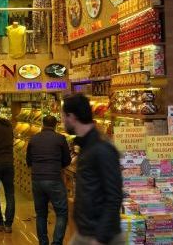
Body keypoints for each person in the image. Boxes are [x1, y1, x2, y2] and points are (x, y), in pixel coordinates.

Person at [62, 94, 123, 245]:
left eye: (63, 116)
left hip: (101, 236)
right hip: (86, 232)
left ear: (72, 117)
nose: (62, 121)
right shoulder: (86, 146)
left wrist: (100, 238)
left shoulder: (101, 149)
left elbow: (114, 196)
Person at [26, 115, 72, 245]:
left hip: (37, 179)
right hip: (54, 178)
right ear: (55, 125)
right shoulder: (60, 138)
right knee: (61, 213)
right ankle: (56, 242)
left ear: (42, 124)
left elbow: (28, 160)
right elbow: (67, 160)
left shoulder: (33, 139)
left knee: (41, 214)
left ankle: (43, 242)